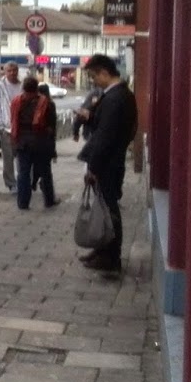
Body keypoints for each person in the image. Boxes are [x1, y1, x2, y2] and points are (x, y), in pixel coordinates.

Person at [75, 53, 138, 274]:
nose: (93, 81)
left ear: (104, 72)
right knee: (104, 207)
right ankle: (102, 250)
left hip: (107, 164)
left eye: (94, 76)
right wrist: (91, 118)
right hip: (112, 160)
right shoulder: (120, 95)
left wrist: (93, 167)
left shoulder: (115, 97)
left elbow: (106, 135)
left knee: (109, 210)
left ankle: (111, 256)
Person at [10, 76, 57, 209]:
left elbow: (13, 121)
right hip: (41, 142)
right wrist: (52, 148)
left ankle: (23, 202)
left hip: (22, 142)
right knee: (45, 172)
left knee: (23, 173)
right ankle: (49, 200)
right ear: (36, 88)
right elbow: (51, 126)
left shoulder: (16, 101)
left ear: (23, 88)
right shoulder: (46, 103)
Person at [0, 62, 20, 191]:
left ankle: (23, 181)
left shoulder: (22, 85)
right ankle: (11, 183)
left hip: (21, 127)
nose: (12, 73)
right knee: (8, 157)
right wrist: (0, 125)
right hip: (6, 127)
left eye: (14, 70)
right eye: (9, 71)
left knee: (22, 156)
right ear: (5, 72)